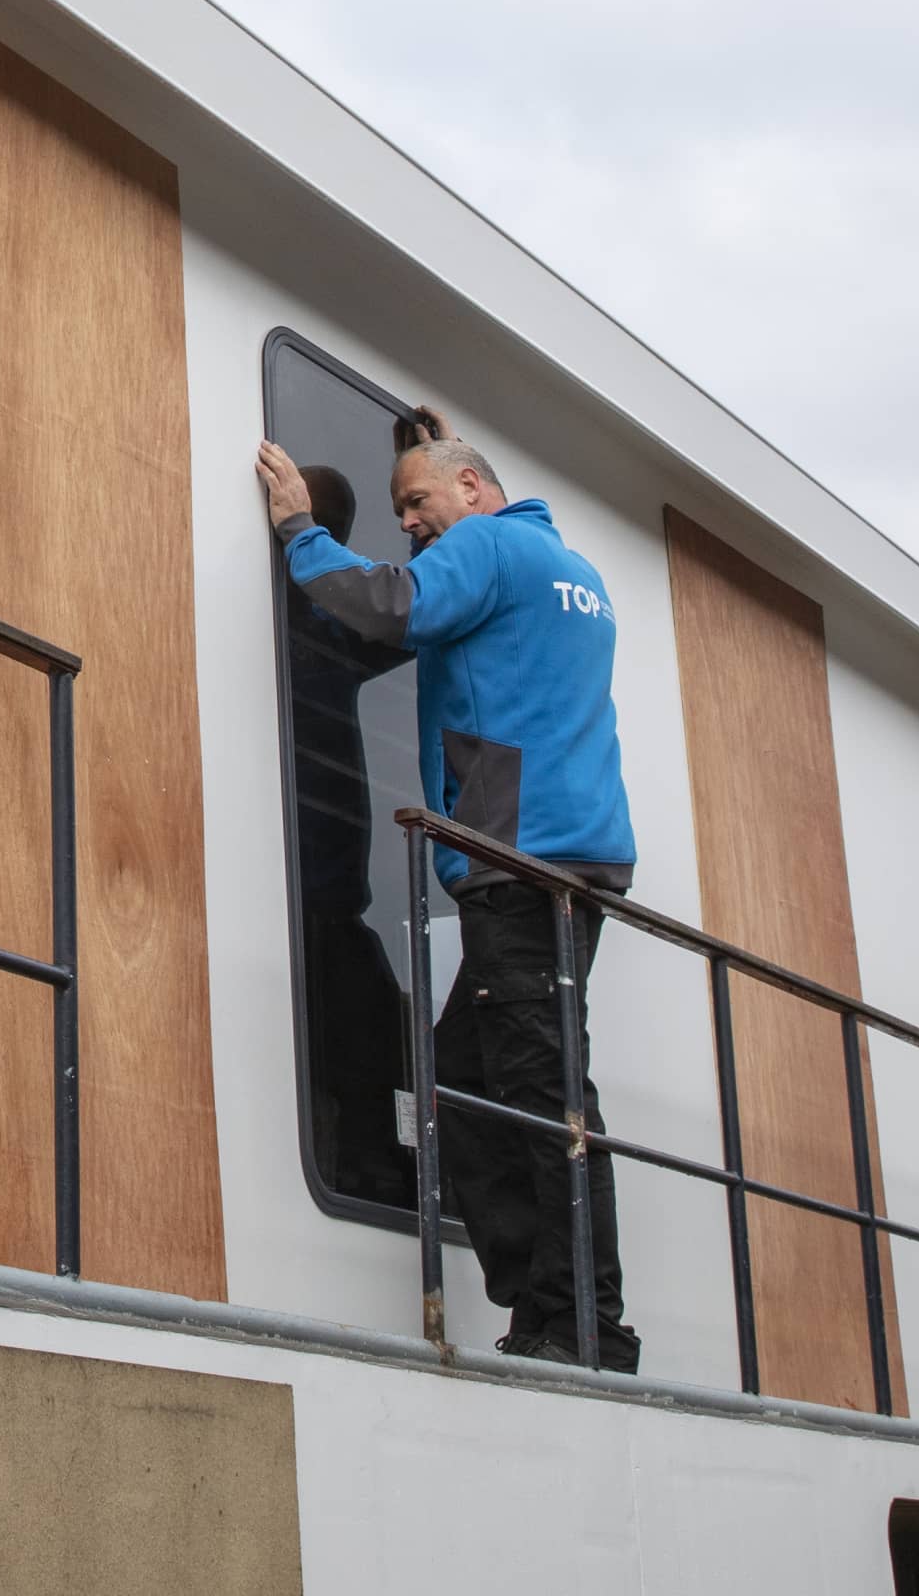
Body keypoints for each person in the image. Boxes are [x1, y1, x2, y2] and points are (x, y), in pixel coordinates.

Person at [253, 412, 642, 1370]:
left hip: (519, 868)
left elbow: (392, 606)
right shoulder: (571, 573)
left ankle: (589, 1326)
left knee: (544, 1092)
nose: (411, 523)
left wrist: (304, 532)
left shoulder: (490, 549)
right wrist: (428, 453)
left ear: (473, 490)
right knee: (465, 1082)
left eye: (416, 502)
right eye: (396, 509)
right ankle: (544, 1308)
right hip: (564, 866)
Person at [280, 463, 417, 1209]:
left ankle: (378, 1172)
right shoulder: (317, 624)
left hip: (322, 904)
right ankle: (378, 1174)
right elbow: (412, 611)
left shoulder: (315, 619)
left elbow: (415, 609)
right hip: (320, 899)